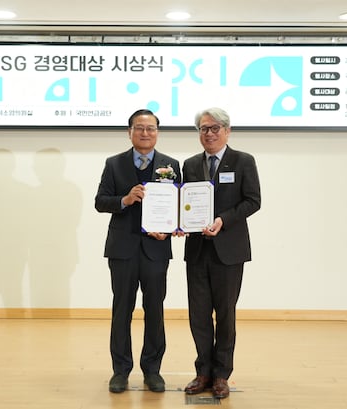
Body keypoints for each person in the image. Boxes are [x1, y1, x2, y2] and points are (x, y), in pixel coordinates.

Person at [95, 109, 182, 394]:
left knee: (155, 310)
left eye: (151, 128)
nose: (145, 133)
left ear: (157, 132)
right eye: (140, 128)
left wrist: (171, 227)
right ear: (129, 132)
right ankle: (120, 371)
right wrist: (125, 199)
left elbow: (176, 206)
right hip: (122, 249)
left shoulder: (171, 164)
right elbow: (100, 201)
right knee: (122, 309)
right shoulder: (114, 164)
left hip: (156, 249)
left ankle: (152, 370)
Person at [181, 107, 261, 399]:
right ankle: (203, 371)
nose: (209, 134)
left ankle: (221, 374)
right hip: (197, 250)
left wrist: (223, 220)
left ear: (227, 131)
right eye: (204, 128)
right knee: (198, 314)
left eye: (215, 128)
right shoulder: (190, 164)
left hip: (229, 250)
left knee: (225, 314)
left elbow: (253, 201)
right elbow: (184, 202)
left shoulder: (243, 161)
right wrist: (178, 223)